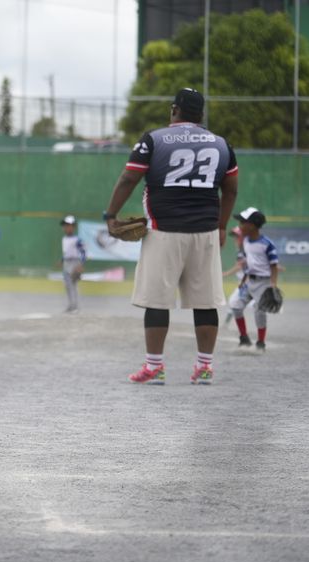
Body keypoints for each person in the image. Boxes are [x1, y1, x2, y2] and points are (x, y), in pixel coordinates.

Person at [103, 87, 238, 385]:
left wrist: (110, 215)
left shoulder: (154, 139)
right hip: (205, 232)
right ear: (200, 114)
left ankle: (155, 367)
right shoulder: (221, 144)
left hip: (163, 231)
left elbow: (129, 177)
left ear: (174, 109)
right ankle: (204, 367)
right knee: (205, 302)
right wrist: (222, 225)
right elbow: (230, 190)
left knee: (157, 300)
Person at [229, 207, 279, 351]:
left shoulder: (267, 244)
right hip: (249, 280)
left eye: (243, 222)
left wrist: (273, 285)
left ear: (252, 225)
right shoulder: (245, 242)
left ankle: (261, 342)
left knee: (259, 311)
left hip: (264, 282)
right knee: (235, 305)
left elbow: (274, 265)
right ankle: (244, 338)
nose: (240, 225)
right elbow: (248, 262)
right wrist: (243, 280)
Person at [221, 225, 247, 326]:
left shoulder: (244, 251)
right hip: (244, 283)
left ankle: (226, 324)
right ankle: (226, 324)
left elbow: (239, 267)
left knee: (234, 301)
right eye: (235, 237)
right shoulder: (242, 250)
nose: (235, 239)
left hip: (247, 283)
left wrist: (225, 274)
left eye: (238, 236)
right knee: (234, 302)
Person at [59, 215, 86, 313]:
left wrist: (81, 264)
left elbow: (83, 252)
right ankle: (71, 305)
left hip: (75, 263)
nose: (66, 227)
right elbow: (66, 252)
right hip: (67, 263)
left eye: (68, 225)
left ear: (73, 227)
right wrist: (62, 260)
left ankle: (75, 306)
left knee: (73, 285)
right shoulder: (64, 239)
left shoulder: (77, 239)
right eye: (65, 225)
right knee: (67, 285)